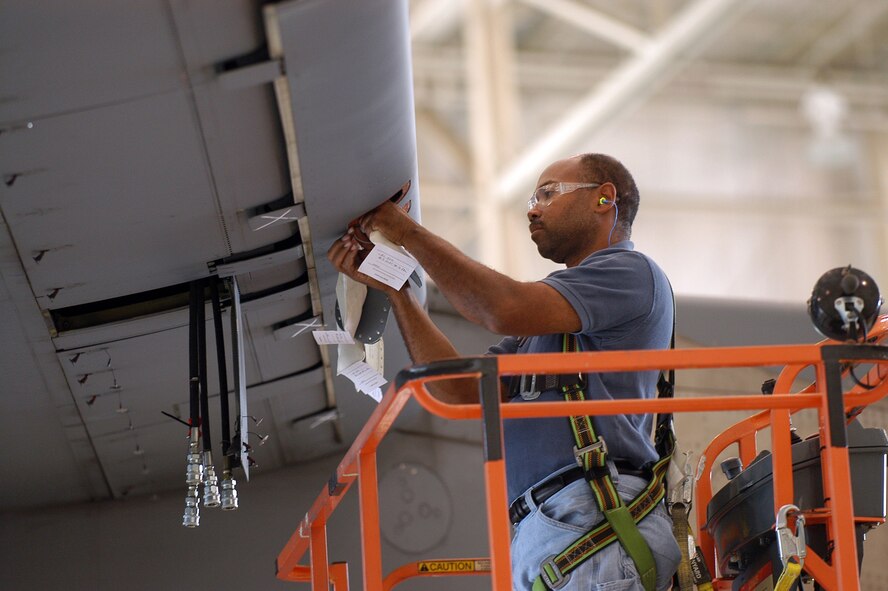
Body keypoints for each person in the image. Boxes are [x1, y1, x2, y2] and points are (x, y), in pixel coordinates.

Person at [328, 153, 681, 590]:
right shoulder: (547, 332)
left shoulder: (631, 273)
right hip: (556, 529)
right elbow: (457, 391)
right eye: (533, 199)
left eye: (548, 194)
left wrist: (407, 232)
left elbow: (501, 307)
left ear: (604, 199)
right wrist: (398, 291)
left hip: (595, 517)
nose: (533, 210)